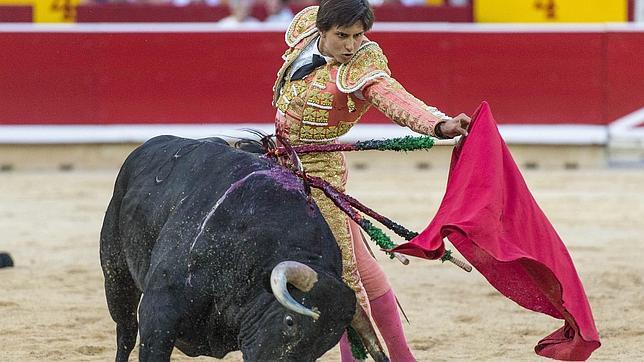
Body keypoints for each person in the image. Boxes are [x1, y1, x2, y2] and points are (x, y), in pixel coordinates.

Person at [271, 0, 471, 360]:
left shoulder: (364, 67)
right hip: (283, 163)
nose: (351, 45)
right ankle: (402, 356)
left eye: (358, 35)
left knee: (343, 274)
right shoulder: (303, 32)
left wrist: (439, 125)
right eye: (342, 36)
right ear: (321, 30)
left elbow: (396, 100)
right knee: (361, 266)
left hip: (321, 174)